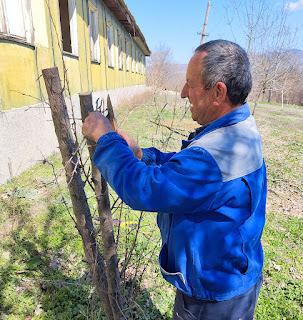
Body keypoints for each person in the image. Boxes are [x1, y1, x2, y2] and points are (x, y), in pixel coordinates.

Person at [82, 40, 267, 320]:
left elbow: (142, 189)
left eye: (190, 84)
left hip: (212, 297)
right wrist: (143, 154)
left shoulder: (215, 155)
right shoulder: (240, 129)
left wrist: (105, 138)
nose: (182, 93)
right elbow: (190, 173)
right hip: (235, 275)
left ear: (218, 92)